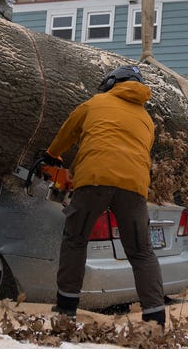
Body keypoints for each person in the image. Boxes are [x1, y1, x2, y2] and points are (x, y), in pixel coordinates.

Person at [41, 64, 166, 326]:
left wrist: (52, 155)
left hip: (94, 180)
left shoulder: (95, 103)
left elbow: (68, 132)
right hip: (133, 187)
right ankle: (155, 318)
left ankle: (66, 309)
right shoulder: (147, 120)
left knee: (76, 240)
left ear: (111, 83)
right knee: (142, 252)